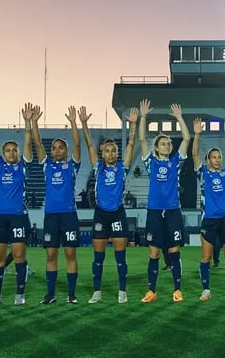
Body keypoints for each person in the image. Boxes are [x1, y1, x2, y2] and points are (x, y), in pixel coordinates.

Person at [79, 105, 138, 304]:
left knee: (120, 257)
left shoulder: (122, 168)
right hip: (101, 215)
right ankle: (97, 292)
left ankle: (122, 291)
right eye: (107, 151)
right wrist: (84, 124)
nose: (111, 153)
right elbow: (88, 145)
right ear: (102, 154)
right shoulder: (98, 168)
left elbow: (131, 144)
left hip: (118, 213)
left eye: (114, 151)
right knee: (98, 257)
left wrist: (133, 125)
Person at [137, 99, 190, 303]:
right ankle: (151, 291)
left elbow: (186, 138)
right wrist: (143, 117)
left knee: (174, 251)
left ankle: (177, 290)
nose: (168, 145)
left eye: (169, 143)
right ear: (157, 148)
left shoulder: (176, 163)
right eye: (163, 143)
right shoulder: (150, 162)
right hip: (154, 212)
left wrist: (179, 118)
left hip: (173, 211)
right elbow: (142, 140)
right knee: (154, 252)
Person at [0, 102, 36, 306]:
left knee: (18, 255)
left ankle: (19, 295)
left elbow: (28, 144)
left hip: (18, 216)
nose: (12, 153)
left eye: (15, 150)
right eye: (8, 151)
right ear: (3, 154)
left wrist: (26, 123)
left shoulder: (23, 166)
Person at [33, 106, 82, 304]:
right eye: (54, 148)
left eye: (61, 147)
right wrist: (34, 122)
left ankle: (71, 294)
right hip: (51, 215)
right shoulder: (47, 166)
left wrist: (73, 122)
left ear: (66, 151)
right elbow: (37, 143)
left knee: (70, 253)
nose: (57, 150)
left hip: (69, 215)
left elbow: (78, 144)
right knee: (51, 254)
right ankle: (50, 294)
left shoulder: (72, 165)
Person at [192, 116, 225, 301]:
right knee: (206, 258)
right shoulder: (203, 173)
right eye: (214, 157)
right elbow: (194, 155)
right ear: (208, 160)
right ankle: (206, 289)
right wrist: (197, 135)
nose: (218, 159)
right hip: (209, 219)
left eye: (219, 157)